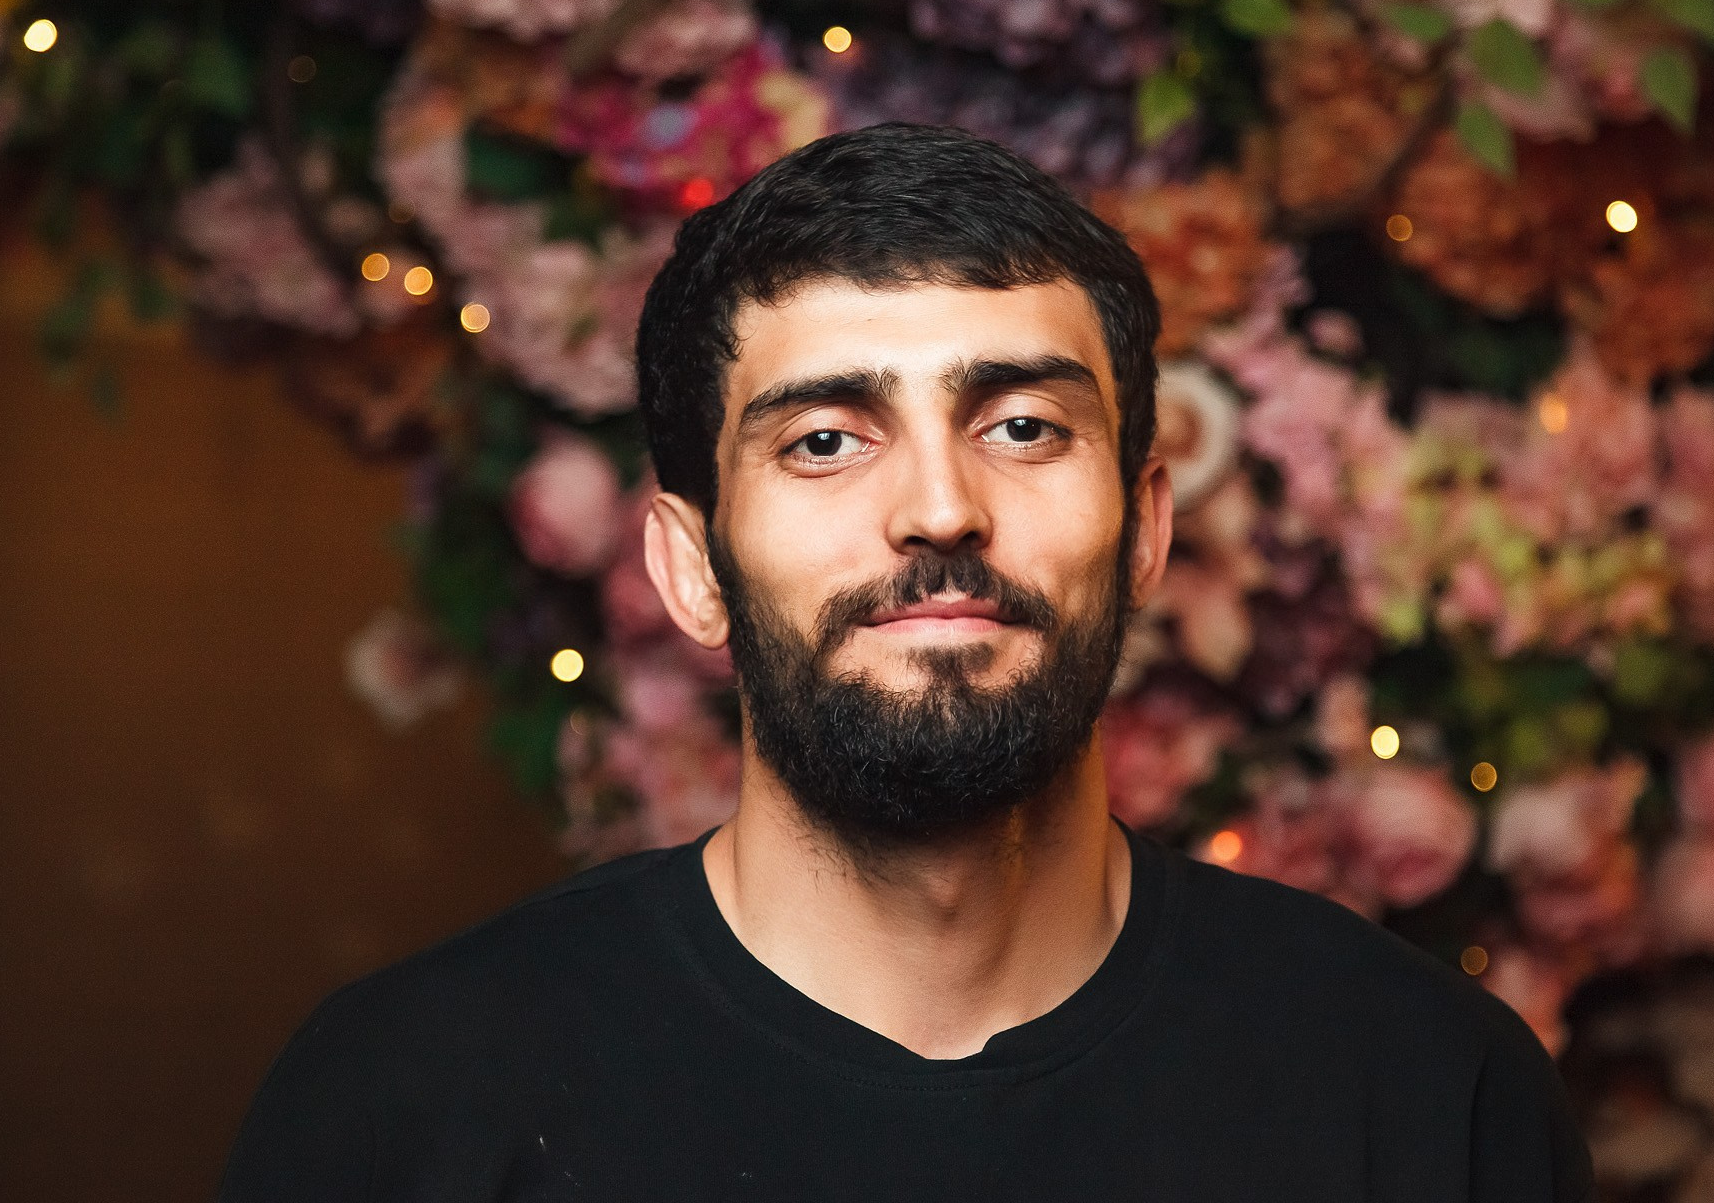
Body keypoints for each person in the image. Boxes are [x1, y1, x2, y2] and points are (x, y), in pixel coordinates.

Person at [221, 123, 1593, 1202]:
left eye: (1023, 428)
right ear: (691, 568)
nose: (940, 509)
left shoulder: (1428, 1092)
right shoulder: (407, 1107)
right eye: (824, 440)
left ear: (1145, 530)